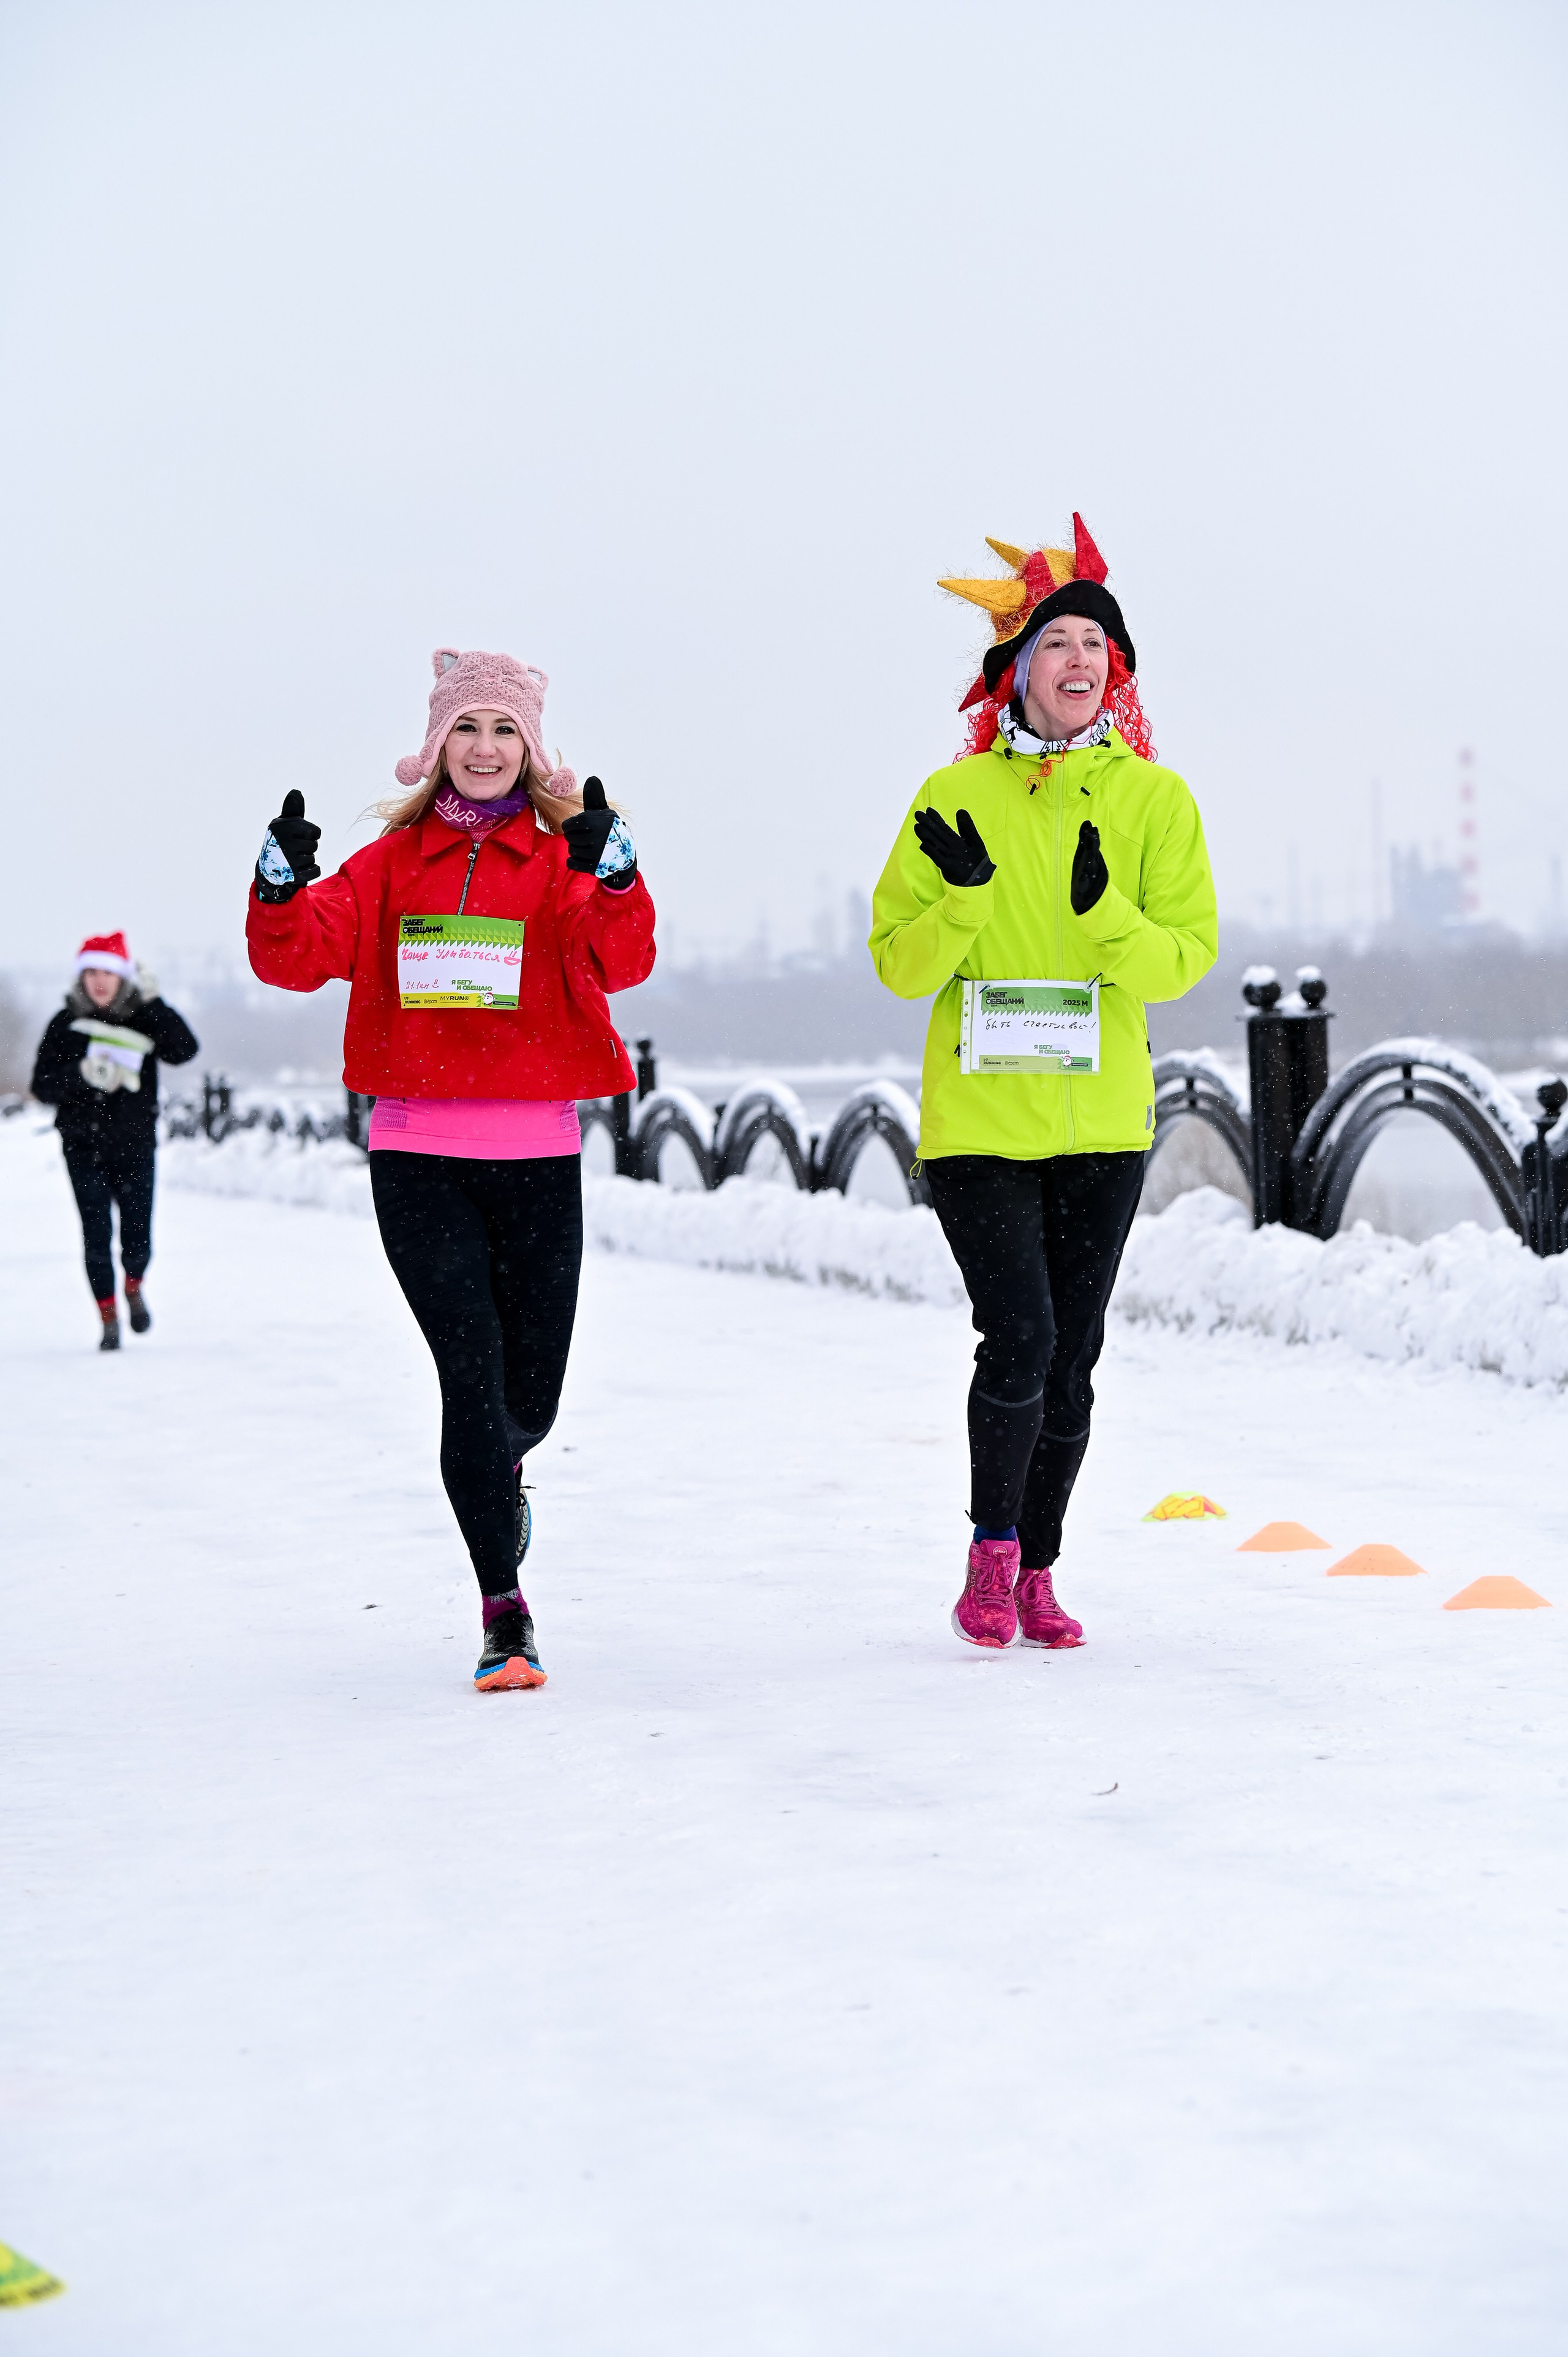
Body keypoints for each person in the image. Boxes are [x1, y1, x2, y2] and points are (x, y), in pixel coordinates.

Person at [246, 648, 655, 1692]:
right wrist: (281, 885)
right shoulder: (387, 865)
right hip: (418, 1152)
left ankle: (501, 1469)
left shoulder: (564, 857)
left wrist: (615, 875)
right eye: (467, 729)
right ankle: (503, 1611)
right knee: (468, 1377)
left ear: (531, 748)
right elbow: (295, 956)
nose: (484, 748)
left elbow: (622, 959)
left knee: (531, 1397)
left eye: (504, 730)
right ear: (437, 746)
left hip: (537, 1154)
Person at [870, 516, 1217, 1650]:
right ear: (1017, 671)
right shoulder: (949, 794)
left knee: (1073, 1350)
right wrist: (964, 892)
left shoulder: (1156, 803)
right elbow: (898, 963)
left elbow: (1184, 958)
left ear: (1113, 673)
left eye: (1093, 645)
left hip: (1102, 1119)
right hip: (978, 1118)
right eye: (1055, 641)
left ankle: (1042, 1565)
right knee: (1015, 1335)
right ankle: (990, 1549)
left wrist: (1100, 913)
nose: (1076, 660)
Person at [30, 933, 200, 1351]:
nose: (98, 981)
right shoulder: (65, 1024)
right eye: (90, 972)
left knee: (138, 1237)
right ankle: (107, 1318)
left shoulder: (143, 1017)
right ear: (81, 978)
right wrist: (81, 1076)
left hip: (136, 1146)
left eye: (107, 971)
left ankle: (134, 1285)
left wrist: (155, 1002)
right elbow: (41, 1085)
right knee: (96, 1234)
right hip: (82, 1148)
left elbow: (185, 1050)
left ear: (123, 976)